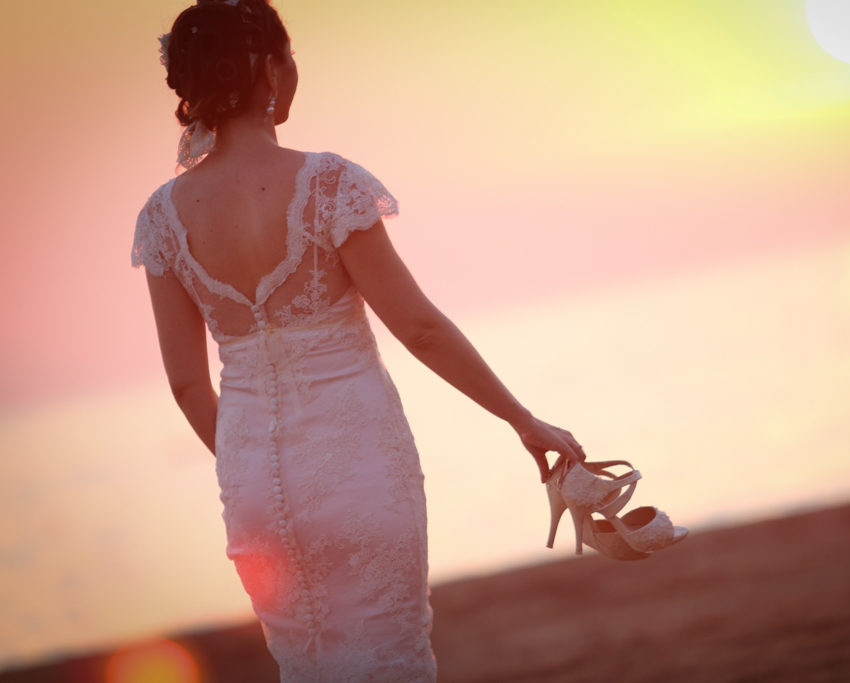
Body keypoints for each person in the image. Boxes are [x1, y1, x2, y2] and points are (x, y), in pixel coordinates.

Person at [130, 1, 585, 680]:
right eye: (290, 57)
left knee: (307, 663)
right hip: (358, 472)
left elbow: (188, 385)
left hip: (254, 486)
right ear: (268, 71)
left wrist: (248, 461)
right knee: (389, 658)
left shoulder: (163, 217)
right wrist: (522, 419)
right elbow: (419, 327)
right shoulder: (326, 184)